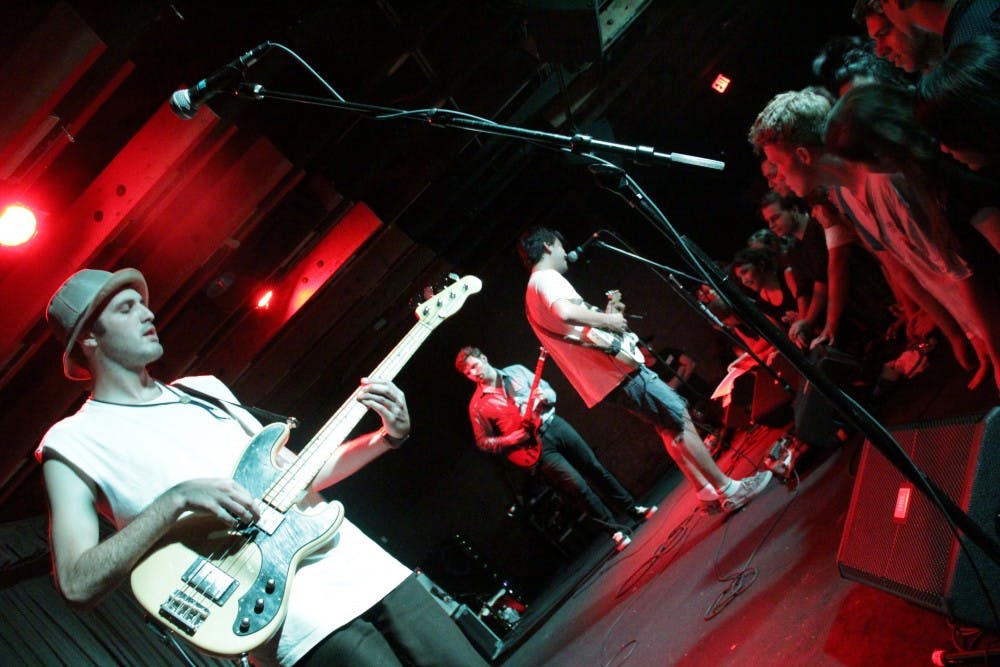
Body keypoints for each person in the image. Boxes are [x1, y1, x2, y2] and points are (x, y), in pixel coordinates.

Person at [36, 268, 488, 667]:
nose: (148, 314)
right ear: (89, 338)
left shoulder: (204, 390)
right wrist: (176, 500)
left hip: (369, 573)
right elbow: (76, 582)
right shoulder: (72, 441)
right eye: (126, 308)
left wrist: (386, 437)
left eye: (143, 303)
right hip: (295, 625)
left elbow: (297, 477)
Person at [748, 87, 999, 392]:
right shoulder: (843, 195)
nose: (778, 176)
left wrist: (994, 347)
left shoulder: (886, 183)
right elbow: (909, 269)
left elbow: (964, 271)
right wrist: (967, 333)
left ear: (803, 155)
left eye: (778, 165)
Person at [518, 228, 772, 515]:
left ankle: (705, 492)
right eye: (561, 245)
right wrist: (610, 321)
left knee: (668, 427)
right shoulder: (546, 279)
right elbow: (565, 313)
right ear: (548, 246)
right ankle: (729, 490)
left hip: (605, 379)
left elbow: (574, 328)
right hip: (617, 373)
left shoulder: (532, 293)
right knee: (679, 417)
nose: (565, 252)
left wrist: (606, 316)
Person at [455, 346, 655, 550]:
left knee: (595, 468)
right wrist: (510, 439)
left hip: (555, 425)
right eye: (468, 373)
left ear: (484, 358)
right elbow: (483, 442)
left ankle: (633, 509)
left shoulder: (516, 371)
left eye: (474, 366)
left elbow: (549, 391)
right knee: (578, 487)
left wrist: (545, 397)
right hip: (534, 448)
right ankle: (615, 531)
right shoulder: (477, 406)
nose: (473, 373)